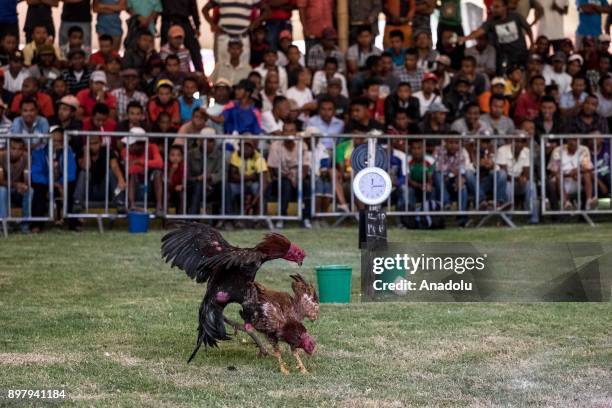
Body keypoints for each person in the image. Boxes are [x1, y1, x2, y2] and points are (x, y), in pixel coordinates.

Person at [459, 0, 533, 75]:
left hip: (520, 54)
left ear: (505, 7)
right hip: (504, 56)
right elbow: (480, 31)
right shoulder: (491, 21)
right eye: (492, 7)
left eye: (497, 7)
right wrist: (465, 38)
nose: (493, 9)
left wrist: (532, 43)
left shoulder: (515, 16)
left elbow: (528, 28)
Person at [30, 125, 78, 232]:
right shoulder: (39, 152)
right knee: (39, 191)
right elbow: (36, 175)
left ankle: (72, 224)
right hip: (45, 184)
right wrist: (52, 183)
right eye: (54, 140)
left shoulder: (68, 152)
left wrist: (60, 184)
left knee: (70, 189)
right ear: (48, 140)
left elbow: (71, 173)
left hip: (62, 184)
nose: (57, 144)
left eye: (60, 141)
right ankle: (36, 225)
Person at [267, 122, 312, 229]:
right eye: (286, 130)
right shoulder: (275, 145)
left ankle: (306, 218)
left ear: (296, 133)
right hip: (281, 177)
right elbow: (273, 169)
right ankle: (282, 218)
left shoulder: (302, 145)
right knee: (285, 185)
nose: (289, 133)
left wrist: (299, 178)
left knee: (306, 185)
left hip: (298, 176)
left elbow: (305, 166)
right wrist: (289, 176)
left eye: (292, 130)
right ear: (282, 133)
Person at [202, 0, 269, 67]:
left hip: (243, 36)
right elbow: (204, 9)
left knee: (243, 66)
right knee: (222, 66)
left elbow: (266, 10)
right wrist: (213, 25)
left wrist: (255, 23)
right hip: (225, 35)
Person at [73, 134, 126, 212]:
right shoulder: (82, 152)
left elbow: (114, 165)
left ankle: (120, 202)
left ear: (100, 143)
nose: (93, 146)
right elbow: (86, 167)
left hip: (106, 190)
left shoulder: (107, 150)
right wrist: (86, 151)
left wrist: (121, 179)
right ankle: (77, 202)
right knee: (84, 173)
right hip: (89, 191)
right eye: (90, 143)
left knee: (112, 172)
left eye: (95, 143)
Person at [120, 130, 164, 215]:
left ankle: (159, 208)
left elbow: (159, 163)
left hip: (150, 186)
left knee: (158, 173)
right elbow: (130, 169)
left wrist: (139, 162)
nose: (129, 146)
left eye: (132, 144)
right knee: (132, 174)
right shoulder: (125, 150)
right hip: (134, 185)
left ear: (141, 144)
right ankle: (132, 206)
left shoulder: (152, 147)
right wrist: (147, 165)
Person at [547, 137, 596, 210]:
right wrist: (568, 174)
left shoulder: (584, 149)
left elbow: (588, 168)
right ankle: (566, 203)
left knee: (587, 175)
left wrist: (577, 170)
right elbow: (554, 171)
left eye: (575, 140)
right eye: (571, 140)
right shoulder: (558, 150)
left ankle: (589, 201)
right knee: (558, 177)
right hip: (561, 181)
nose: (573, 142)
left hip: (577, 179)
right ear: (567, 140)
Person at [226, 139, 268, 216]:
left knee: (257, 188)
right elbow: (232, 177)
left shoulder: (259, 158)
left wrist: (253, 203)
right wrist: (251, 177)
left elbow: (264, 183)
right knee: (229, 188)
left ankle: (258, 218)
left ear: (253, 148)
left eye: (248, 146)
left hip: (253, 184)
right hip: (239, 184)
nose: (245, 149)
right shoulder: (235, 155)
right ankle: (231, 218)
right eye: (243, 146)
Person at [187, 130, 223, 215]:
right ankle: (193, 220)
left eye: (210, 141)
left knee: (225, 186)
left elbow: (222, 174)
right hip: (194, 186)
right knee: (198, 185)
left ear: (214, 142)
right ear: (199, 141)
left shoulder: (220, 155)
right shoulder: (190, 154)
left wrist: (210, 177)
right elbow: (186, 175)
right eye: (204, 140)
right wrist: (198, 179)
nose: (207, 143)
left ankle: (227, 220)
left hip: (212, 187)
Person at [161, 0, 203, 72]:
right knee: (165, 50)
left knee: (194, 50)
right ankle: (164, 74)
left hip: (183, 20)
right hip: (168, 19)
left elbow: (193, 6)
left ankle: (200, 75)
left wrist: (197, 25)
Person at [0, 138, 32, 232]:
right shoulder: (1, 156)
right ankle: (4, 224)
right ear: (7, 148)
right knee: (2, 190)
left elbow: (27, 177)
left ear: (23, 150)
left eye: (19, 149)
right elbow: (0, 181)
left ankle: (25, 225)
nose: (16, 152)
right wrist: (16, 185)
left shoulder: (26, 157)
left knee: (30, 191)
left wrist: (24, 185)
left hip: (16, 190)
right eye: (13, 148)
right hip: (5, 188)